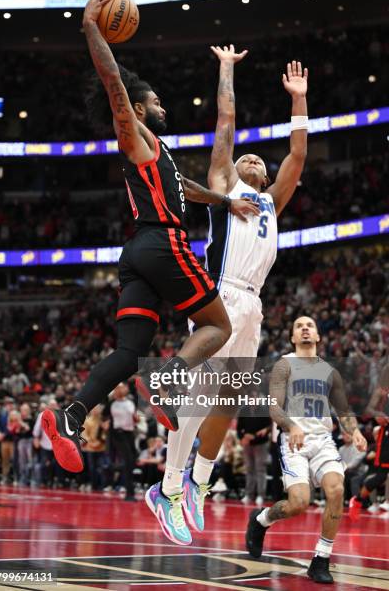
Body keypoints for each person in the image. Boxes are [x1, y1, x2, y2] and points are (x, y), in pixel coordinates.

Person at [41, 0, 259, 474]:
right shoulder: (134, 134)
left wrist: (225, 201)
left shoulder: (156, 152)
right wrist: (92, 28)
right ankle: (169, 380)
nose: (161, 104)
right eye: (154, 100)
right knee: (218, 326)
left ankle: (70, 414)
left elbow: (184, 188)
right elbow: (113, 81)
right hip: (163, 243)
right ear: (136, 110)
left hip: (138, 251)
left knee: (128, 351)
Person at [146, 45, 309, 545]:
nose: (255, 158)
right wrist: (225, 68)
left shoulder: (273, 201)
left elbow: (298, 155)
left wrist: (298, 102)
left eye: (261, 158)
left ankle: (195, 483)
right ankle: (167, 488)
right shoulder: (225, 187)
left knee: (228, 402)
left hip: (253, 303)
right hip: (221, 298)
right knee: (199, 396)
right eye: (248, 157)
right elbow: (226, 122)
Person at [245, 316, 367, 584]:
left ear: (318, 336)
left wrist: (354, 431)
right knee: (299, 503)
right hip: (293, 441)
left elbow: (344, 410)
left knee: (336, 489)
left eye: (310, 325)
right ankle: (262, 519)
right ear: (292, 338)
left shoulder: (330, 371)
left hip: (323, 439)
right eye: (299, 326)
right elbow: (274, 407)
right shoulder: (284, 365)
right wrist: (291, 425)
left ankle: (321, 559)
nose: (305, 329)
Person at [349, 363, 389, 516]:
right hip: (385, 436)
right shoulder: (381, 390)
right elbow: (369, 409)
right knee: (381, 475)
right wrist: (378, 414)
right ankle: (358, 499)